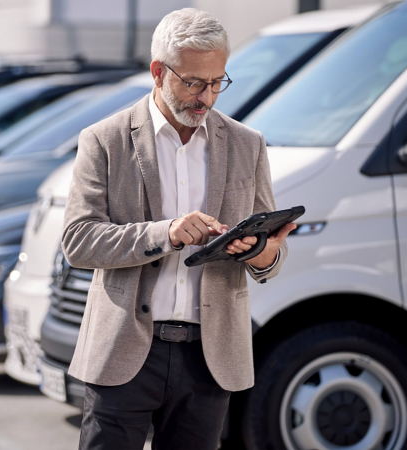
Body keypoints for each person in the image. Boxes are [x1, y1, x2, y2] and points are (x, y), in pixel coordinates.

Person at [61, 7, 297, 450]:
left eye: (217, 82)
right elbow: (79, 240)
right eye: (193, 82)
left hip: (210, 358)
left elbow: (272, 256)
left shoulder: (249, 144)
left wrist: (261, 254)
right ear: (157, 72)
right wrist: (165, 233)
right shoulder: (104, 139)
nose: (205, 97)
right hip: (125, 352)